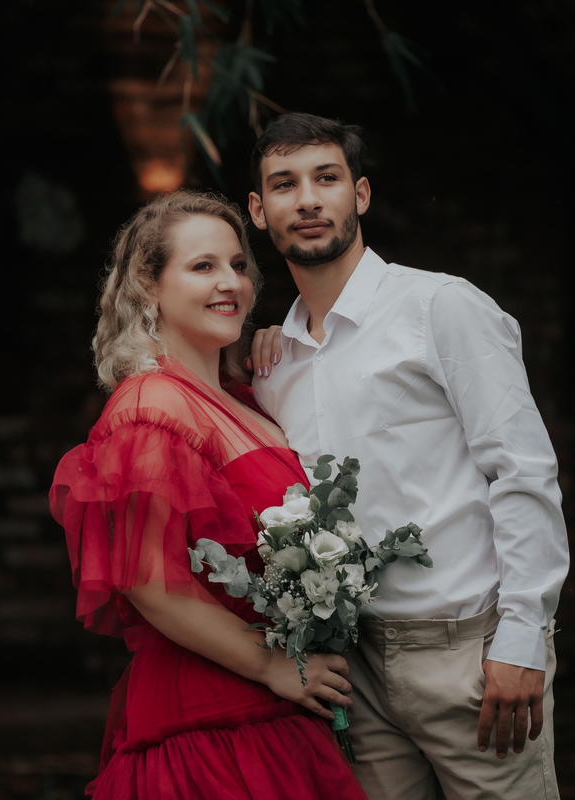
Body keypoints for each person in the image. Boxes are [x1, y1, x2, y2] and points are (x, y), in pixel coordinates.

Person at [245, 113, 570, 799]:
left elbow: (521, 471)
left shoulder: (440, 307)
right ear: (258, 209)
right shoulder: (274, 362)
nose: (307, 200)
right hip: (353, 665)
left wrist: (522, 636)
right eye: (284, 184)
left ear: (360, 194)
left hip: (467, 650)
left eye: (326, 178)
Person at [49, 190, 369, 800]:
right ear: (149, 287)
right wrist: (271, 665)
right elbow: (145, 582)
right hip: (212, 713)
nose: (231, 283)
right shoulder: (152, 405)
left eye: (239, 265)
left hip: (277, 699)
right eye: (203, 266)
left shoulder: (241, 396)